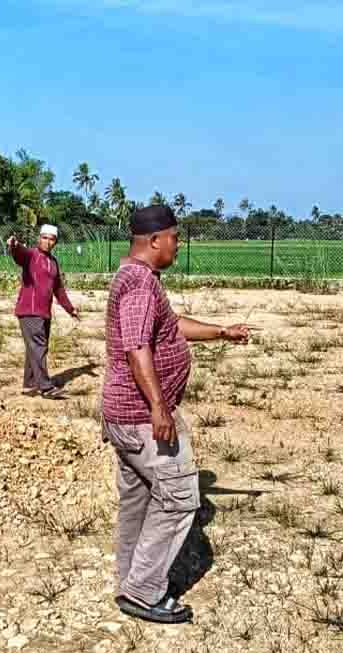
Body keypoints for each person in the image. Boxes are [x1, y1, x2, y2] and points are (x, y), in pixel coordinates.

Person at [102, 204, 250, 624]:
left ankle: (130, 581)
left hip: (127, 416)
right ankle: (144, 593)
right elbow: (136, 347)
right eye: (175, 237)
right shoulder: (138, 285)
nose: (178, 245)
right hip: (141, 418)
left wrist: (222, 331)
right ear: (155, 241)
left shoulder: (142, 281)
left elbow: (171, 326)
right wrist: (158, 407)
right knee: (181, 498)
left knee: (139, 499)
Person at [6, 224, 80, 399]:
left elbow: (58, 289)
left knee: (37, 347)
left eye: (51, 239)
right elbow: (20, 254)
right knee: (38, 347)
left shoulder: (53, 263)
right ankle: (46, 388)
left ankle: (30, 382)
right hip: (29, 310)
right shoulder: (31, 255)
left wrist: (70, 309)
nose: (47, 241)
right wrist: (14, 245)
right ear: (39, 238)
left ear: (55, 242)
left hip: (43, 312)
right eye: (44, 237)